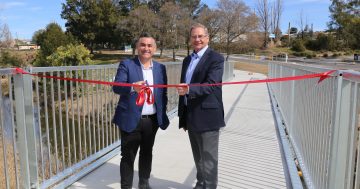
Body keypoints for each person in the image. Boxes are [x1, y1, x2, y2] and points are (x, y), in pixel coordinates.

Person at [113, 33, 169, 189]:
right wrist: (132, 87)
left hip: (151, 121)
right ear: (137, 47)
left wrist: (161, 114)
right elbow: (117, 87)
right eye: (143, 45)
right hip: (131, 119)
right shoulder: (126, 65)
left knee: (147, 152)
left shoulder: (160, 68)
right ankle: (126, 187)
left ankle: (144, 183)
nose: (146, 48)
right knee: (128, 156)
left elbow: (163, 94)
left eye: (150, 45)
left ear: (155, 48)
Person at [176, 23, 225, 189]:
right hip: (191, 116)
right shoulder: (187, 60)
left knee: (209, 160)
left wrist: (189, 89)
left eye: (200, 36)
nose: (197, 39)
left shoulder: (216, 58)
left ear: (207, 38)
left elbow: (212, 84)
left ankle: (209, 186)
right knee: (198, 157)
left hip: (208, 117)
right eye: (194, 36)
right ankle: (200, 184)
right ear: (190, 39)